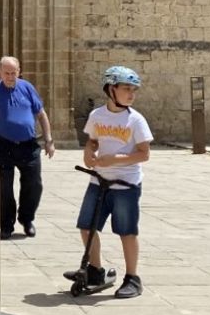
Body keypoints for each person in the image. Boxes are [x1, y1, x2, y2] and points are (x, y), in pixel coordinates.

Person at [65, 66, 152, 299]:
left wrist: (115, 159)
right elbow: (93, 140)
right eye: (126, 89)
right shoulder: (97, 116)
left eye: (134, 90)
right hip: (98, 181)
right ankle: (95, 270)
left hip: (125, 184)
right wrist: (88, 151)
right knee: (86, 226)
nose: (131, 94)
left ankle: (132, 278)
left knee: (126, 231)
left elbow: (144, 153)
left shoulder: (135, 120)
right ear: (111, 89)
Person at [0, 57, 55, 239]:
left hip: (28, 145)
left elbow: (41, 114)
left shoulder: (27, 87)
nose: (10, 77)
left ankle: (26, 219)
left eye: (14, 73)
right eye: (7, 73)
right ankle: (6, 225)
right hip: (3, 145)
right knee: (4, 188)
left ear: (19, 71)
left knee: (34, 184)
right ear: (0, 72)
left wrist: (49, 140)